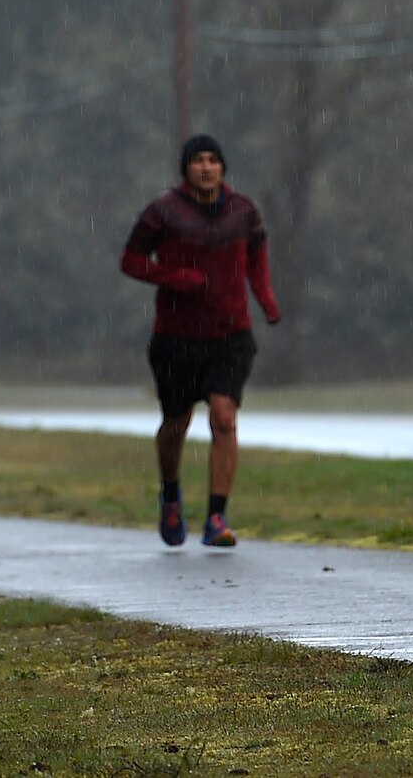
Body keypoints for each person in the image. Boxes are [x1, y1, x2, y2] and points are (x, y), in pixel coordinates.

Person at [120, 134, 280, 548]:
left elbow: (256, 255)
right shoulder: (163, 211)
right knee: (176, 423)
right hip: (176, 338)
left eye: (213, 160)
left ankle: (216, 517)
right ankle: (170, 495)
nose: (207, 167)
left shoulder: (243, 211)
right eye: (198, 160)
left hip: (230, 334)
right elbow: (131, 260)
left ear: (223, 167)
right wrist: (174, 278)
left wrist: (265, 299)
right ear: (186, 168)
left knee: (224, 416)